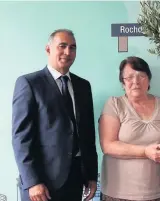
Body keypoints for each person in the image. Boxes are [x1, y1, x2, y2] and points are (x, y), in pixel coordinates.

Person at [12, 29, 98, 201]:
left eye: (73, 47)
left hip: (74, 180)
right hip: (41, 184)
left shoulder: (83, 86)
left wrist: (91, 176)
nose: (68, 52)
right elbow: (21, 137)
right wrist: (32, 181)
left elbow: (88, 135)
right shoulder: (29, 83)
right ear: (48, 49)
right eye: (62, 46)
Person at [99, 56, 160, 201]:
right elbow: (108, 145)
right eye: (129, 77)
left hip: (159, 193)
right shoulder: (114, 104)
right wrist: (146, 152)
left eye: (141, 76)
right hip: (118, 194)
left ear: (148, 80)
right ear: (122, 83)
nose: (135, 82)